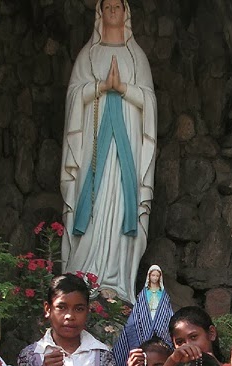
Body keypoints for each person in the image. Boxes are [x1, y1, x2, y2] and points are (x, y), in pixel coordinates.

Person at [60, 0, 157, 303]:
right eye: (108, 6)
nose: (113, 11)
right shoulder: (88, 55)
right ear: (99, 13)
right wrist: (101, 87)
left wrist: (125, 89)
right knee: (93, 202)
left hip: (125, 147)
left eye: (118, 6)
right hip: (93, 146)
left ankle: (117, 280)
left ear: (125, 13)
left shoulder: (135, 55)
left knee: (120, 207)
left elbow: (150, 102)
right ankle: (84, 274)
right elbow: (74, 94)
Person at [111, 265, 174, 366]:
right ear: (149, 276)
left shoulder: (164, 295)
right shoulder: (143, 294)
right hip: (143, 323)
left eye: (157, 276)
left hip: (160, 322)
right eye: (153, 275)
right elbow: (138, 311)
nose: (155, 278)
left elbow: (167, 311)